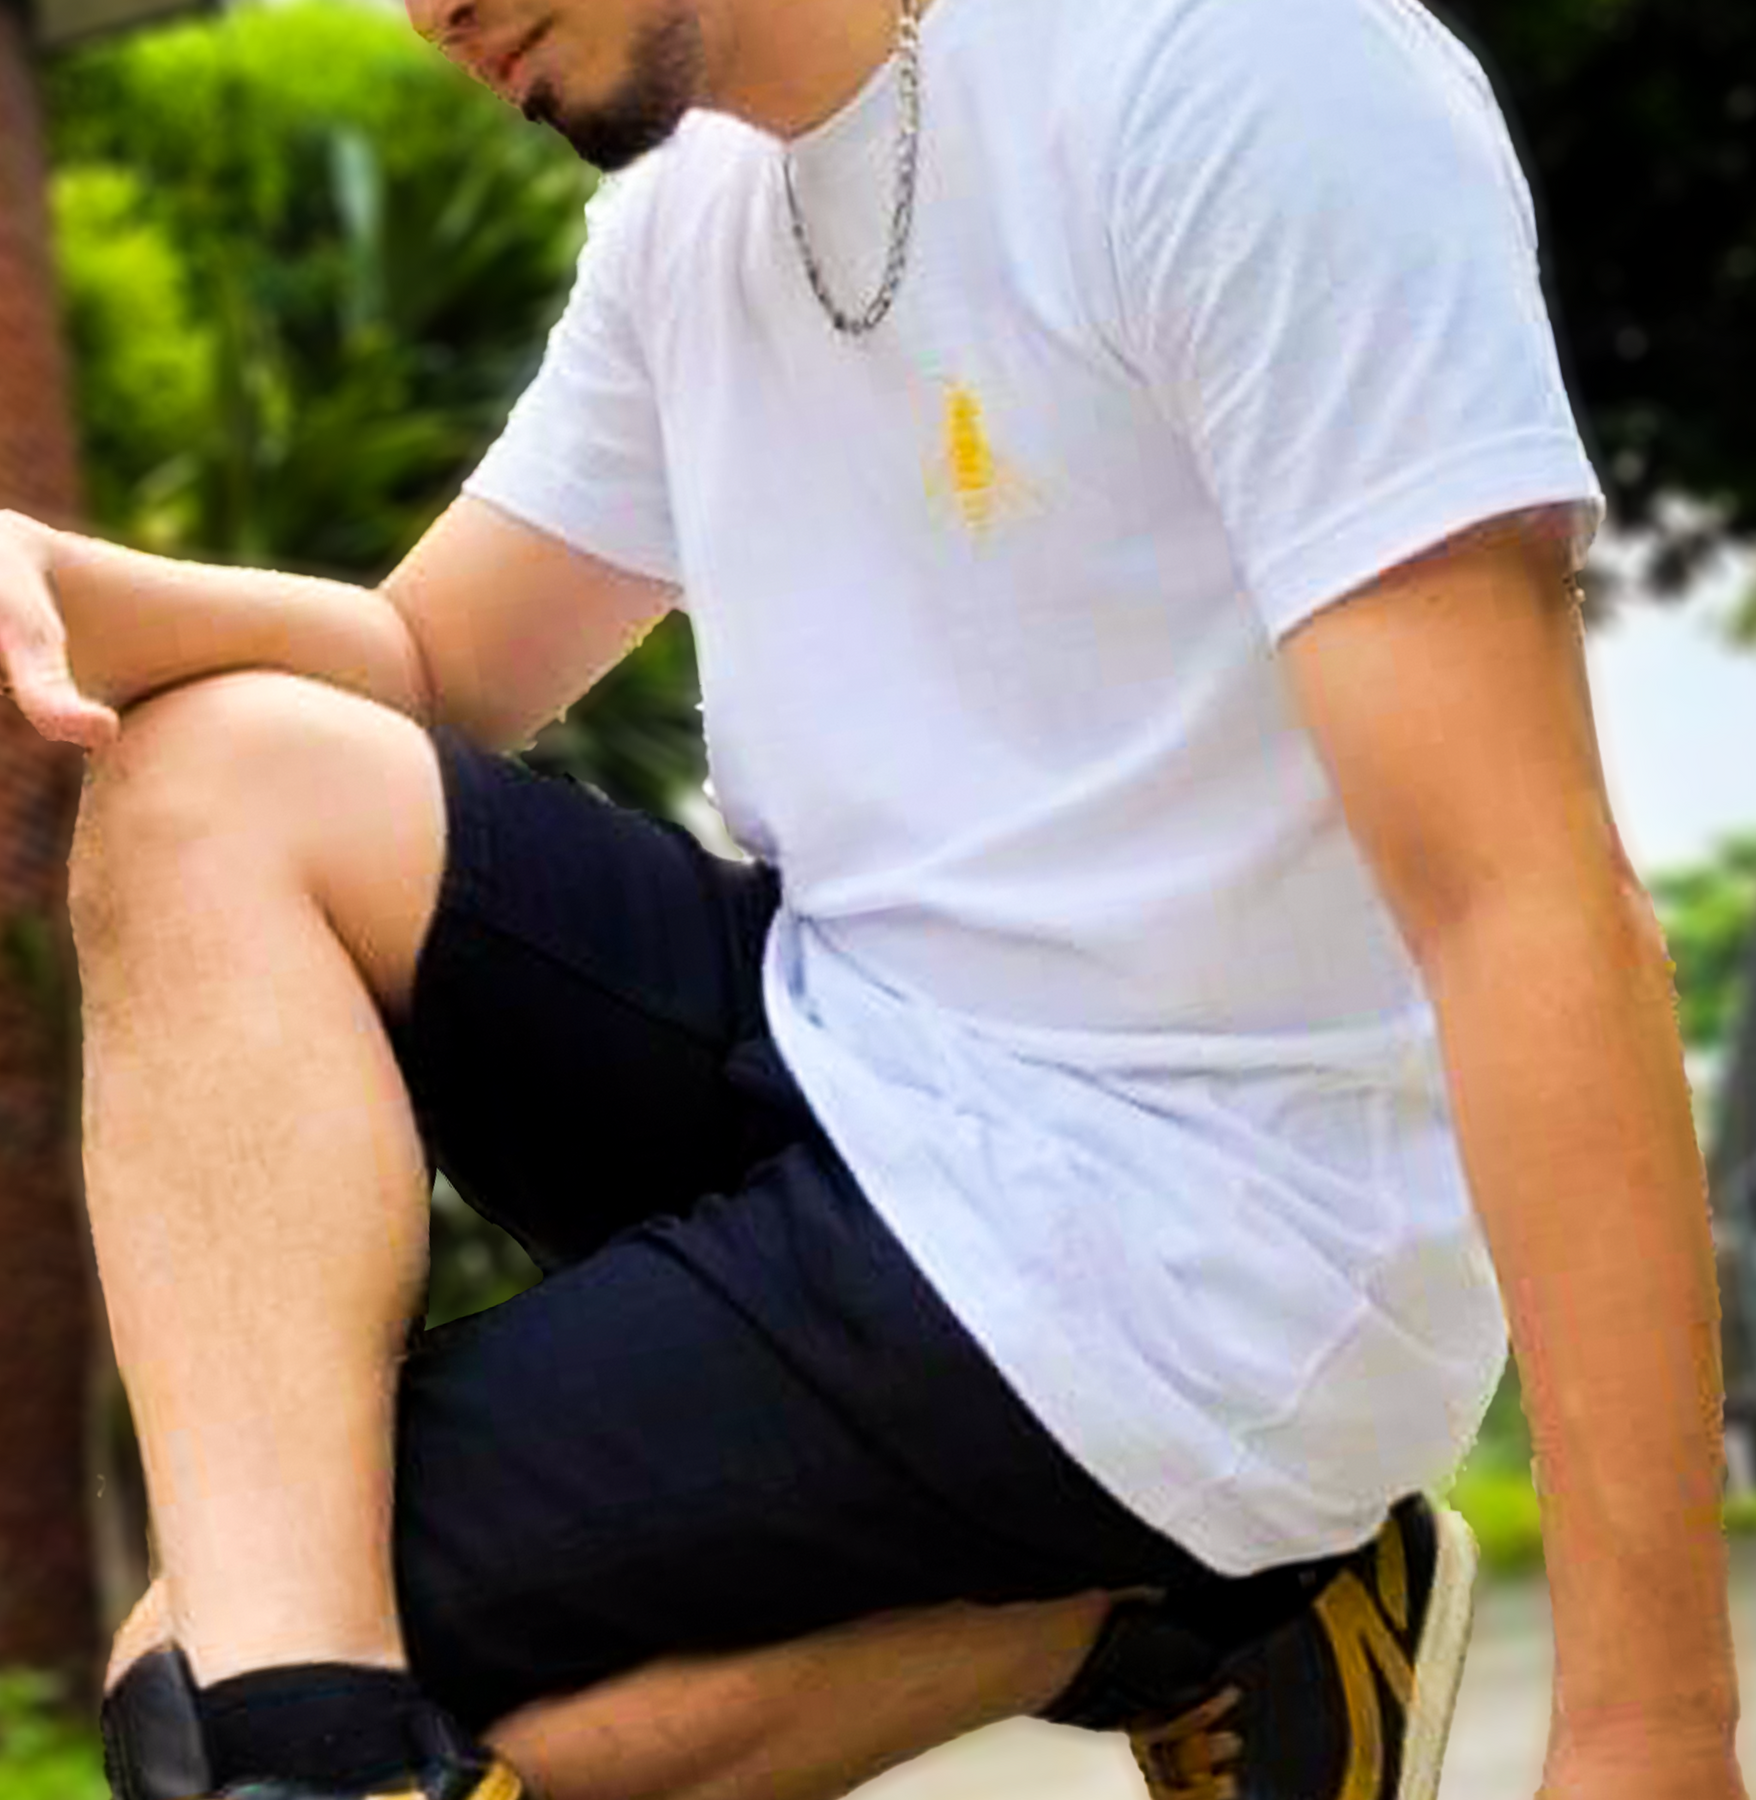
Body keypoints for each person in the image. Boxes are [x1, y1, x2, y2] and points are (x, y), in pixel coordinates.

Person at [0, 0, 1741, 1792]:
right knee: (209, 778)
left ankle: (1192, 1596)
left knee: (188, 1705)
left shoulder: (1233, 70)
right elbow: (428, 660)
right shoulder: (692, 215)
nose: (422, 9)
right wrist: (51, 578)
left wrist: (1654, 1729)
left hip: (1200, 1247)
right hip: (859, 1063)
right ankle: (335, 1752)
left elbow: (1526, 906)